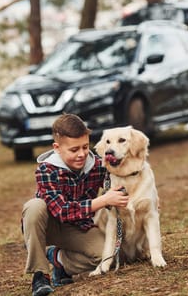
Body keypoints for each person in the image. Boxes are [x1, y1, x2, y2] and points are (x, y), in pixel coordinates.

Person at [22, 113, 129, 296]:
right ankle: (40, 275)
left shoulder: (96, 164)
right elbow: (62, 211)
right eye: (73, 150)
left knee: (113, 254)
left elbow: (118, 186)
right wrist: (102, 200)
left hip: (78, 226)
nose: (81, 154)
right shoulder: (46, 170)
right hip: (48, 225)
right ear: (57, 148)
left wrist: (137, 199)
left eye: (85, 147)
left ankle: (59, 260)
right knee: (34, 206)